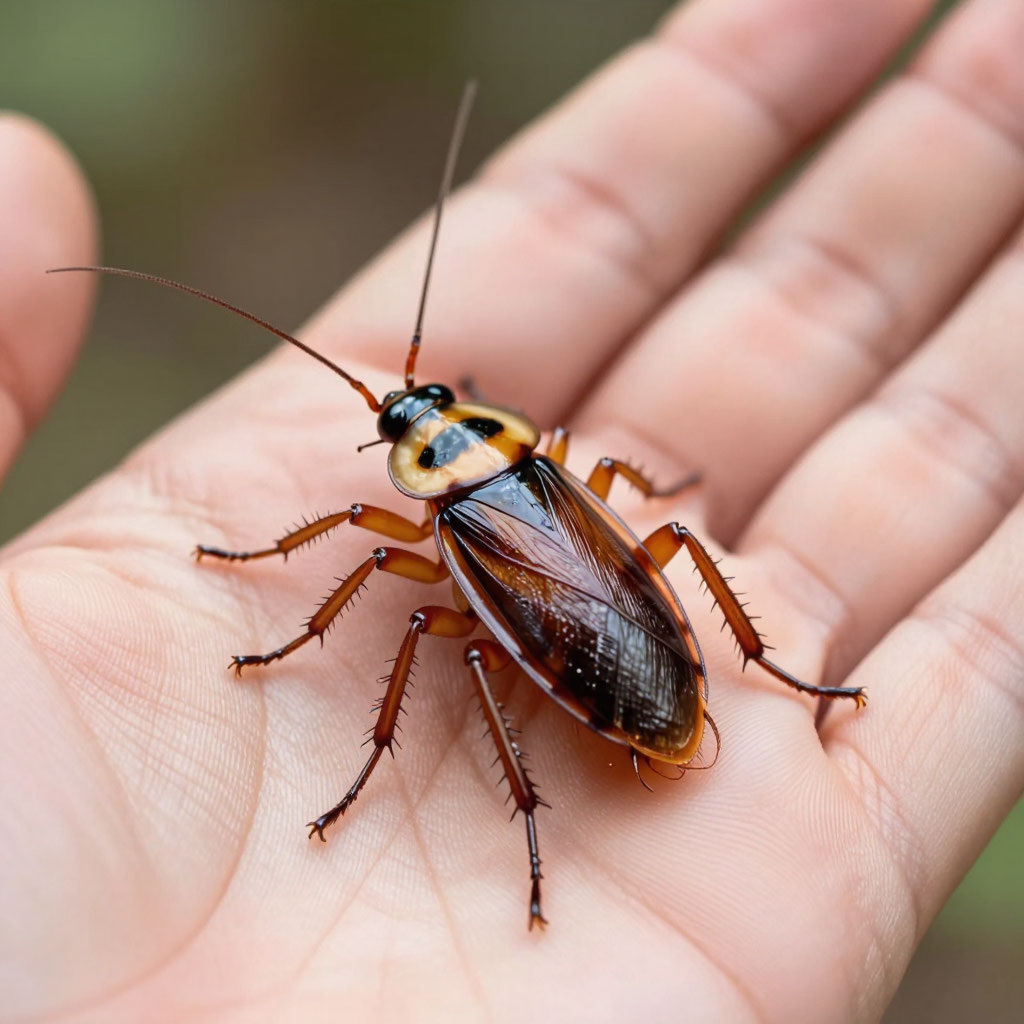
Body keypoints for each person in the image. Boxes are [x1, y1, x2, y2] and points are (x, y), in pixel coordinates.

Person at [1, 0, 1021, 1020]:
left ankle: (744, 680)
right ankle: (584, 761)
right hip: (591, 603)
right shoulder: (535, 469)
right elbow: (600, 500)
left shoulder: (437, 518)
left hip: (575, 632)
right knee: (570, 558)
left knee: (418, 599)